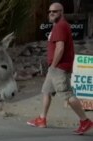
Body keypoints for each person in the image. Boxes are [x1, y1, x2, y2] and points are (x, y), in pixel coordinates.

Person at [27, 2, 93, 135]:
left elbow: (60, 48)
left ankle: (85, 121)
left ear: (61, 12)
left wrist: (54, 65)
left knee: (67, 95)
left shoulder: (61, 26)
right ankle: (42, 119)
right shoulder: (58, 26)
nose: (51, 13)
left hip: (59, 67)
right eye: (50, 11)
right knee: (46, 91)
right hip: (55, 67)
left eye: (55, 11)